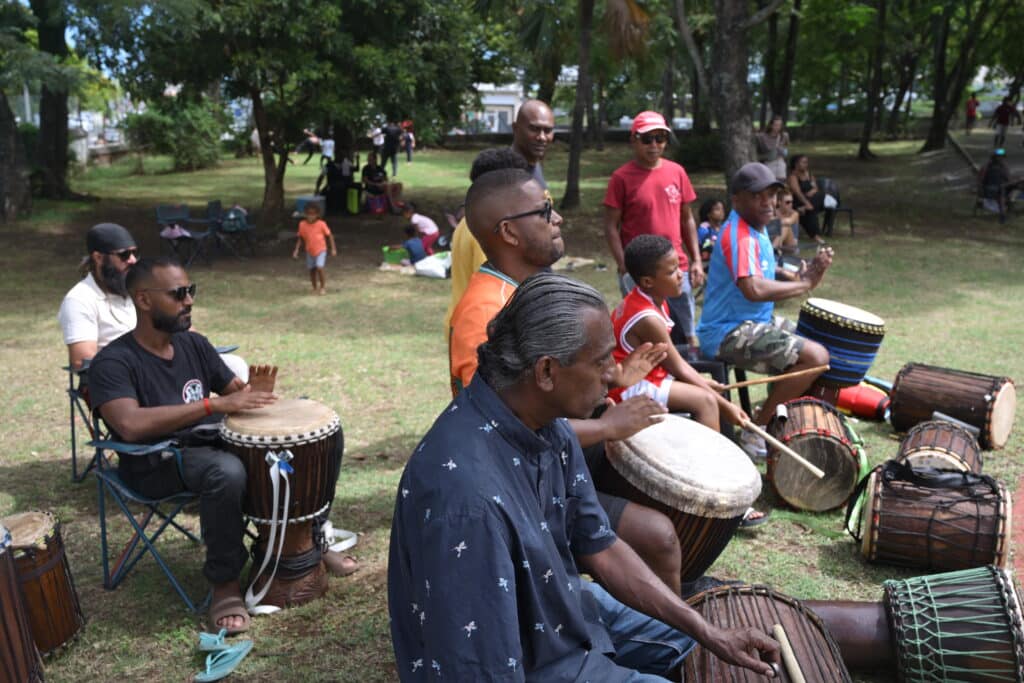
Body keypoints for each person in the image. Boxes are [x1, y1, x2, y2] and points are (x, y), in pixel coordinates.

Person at [389, 272, 781, 681]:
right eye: (600, 361)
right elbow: (481, 670)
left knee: (707, 646)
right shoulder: (467, 502)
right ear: (546, 371)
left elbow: (601, 546)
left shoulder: (548, 426)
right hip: (535, 664)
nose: (613, 374)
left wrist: (706, 632)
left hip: (566, 609)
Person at [451, 167, 723, 596]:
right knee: (660, 537)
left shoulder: (533, 290)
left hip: (556, 462)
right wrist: (607, 427)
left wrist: (611, 386)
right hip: (521, 489)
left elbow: (549, 390)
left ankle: (676, 591)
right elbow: (494, 431)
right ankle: (666, 620)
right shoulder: (484, 313)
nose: (557, 218)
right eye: (545, 211)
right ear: (509, 232)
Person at [87, 256, 277, 634]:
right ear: (144, 299)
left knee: (284, 449)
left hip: (206, 446)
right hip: (153, 462)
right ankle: (225, 585)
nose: (188, 300)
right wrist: (210, 406)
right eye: (178, 294)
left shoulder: (194, 344)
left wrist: (254, 394)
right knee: (226, 471)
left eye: (191, 291)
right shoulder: (113, 362)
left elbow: (234, 393)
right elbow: (129, 425)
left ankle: (297, 550)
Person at [697, 162, 833, 458]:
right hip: (726, 332)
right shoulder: (740, 235)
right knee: (815, 357)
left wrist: (798, 276)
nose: (768, 202)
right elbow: (754, 289)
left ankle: (788, 419)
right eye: (757, 196)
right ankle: (757, 429)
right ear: (736, 200)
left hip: (754, 322)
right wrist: (805, 284)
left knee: (823, 344)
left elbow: (763, 274)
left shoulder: (754, 230)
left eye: (771, 194)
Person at [611, 235, 749, 434]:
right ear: (648, 281)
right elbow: (678, 367)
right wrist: (726, 406)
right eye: (671, 271)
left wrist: (702, 383)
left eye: (679, 267)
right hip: (628, 386)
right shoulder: (648, 319)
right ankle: (709, 455)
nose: (680, 275)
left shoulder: (649, 299)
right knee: (706, 401)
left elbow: (673, 365)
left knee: (704, 391)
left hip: (644, 377)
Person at [604, 110, 703, 352]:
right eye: (647, 139)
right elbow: (610, 226)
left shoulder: (677, 172)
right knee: (647, 331)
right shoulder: (621, 178)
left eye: (661, 138)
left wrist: (697, 260)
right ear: (634, 140)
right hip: (640, 271)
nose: (654, 145)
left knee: (686, 331)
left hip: (676, 266)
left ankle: (689, 363)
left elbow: (687, 219)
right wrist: (623, 264)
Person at [444, 147, 532, 330]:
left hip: (465, 323)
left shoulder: (467, 222)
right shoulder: (487, 231)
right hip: (480, 330)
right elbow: (493, 288)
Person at [59, 223, 139, 371]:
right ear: (99, 257)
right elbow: (83, 361)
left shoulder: (138, 288)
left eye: (134, 253)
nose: (133, 260)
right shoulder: (79, 300)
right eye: (124, 255)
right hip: (117, 379)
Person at [292, 202, 337, 295]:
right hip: (310, 250)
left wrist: (333, 248)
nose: (311, 216)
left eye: (313, 214)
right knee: (312, 270)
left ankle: (323, 287)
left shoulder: (321, 224)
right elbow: (300, 238)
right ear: (305, 214)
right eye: (309, 214)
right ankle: (314, 287)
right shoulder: (302, 224)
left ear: (317, 215)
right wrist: (296, 250)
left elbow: (330, 236)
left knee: (319, 267)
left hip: (321, 250)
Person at [787, 154, 828, 244]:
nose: (806, 164)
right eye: (803, 162)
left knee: (820, 196)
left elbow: (815, 187)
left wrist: (812, 191)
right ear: (796, 164)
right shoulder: (793, 177)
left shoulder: (809, 174)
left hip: (810, 201)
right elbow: (797, 192)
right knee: (810, 211)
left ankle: (804, 209)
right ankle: (816, 236)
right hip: (798, 201)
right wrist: (806, 203)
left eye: (806, 162)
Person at [979, 148, 1024, 223]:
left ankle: (1015, 208)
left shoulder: (1004, 167)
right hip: (991, 189)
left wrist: (1016, 181)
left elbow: (1009, 179)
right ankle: (1003, 215)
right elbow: (980, 181)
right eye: (999, 157)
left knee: (1020, 183)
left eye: (1002, 157)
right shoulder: (986, 167)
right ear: (994, 157)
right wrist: (981, 192)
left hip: (1004, 187)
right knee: (1002, 189)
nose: (1001, 158)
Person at [755, 115, 790, 181]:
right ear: (771, 125)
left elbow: (786, 148)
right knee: (770, 181)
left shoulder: (784, 136)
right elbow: (757, 151)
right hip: (768, 163)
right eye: (776, 125)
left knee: (780, 182)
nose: (778, 127)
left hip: (780, 162)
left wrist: (784, 151)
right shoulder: (762, 137)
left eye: (780, 125)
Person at [767, 189, 799, 255]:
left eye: (792, 202)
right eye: (787, 202)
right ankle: (775, 249)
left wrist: (773, 220)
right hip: (775, 240)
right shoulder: (774, 212)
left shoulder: (794, 213)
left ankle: (772, 250)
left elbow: (788, 221)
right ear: (779, 202)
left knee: (786, 227)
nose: (790, 204)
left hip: (791, 245)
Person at [697, 198, 725, 267]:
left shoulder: (725, 228)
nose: (721, 212)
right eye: (717, 209)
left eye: (722, 209)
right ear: (709, 214)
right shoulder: (703, 230)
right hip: (706, 265)